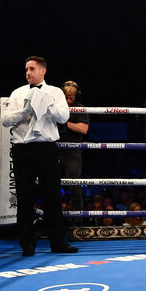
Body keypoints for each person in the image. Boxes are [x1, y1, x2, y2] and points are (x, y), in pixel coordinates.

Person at [0, 55, 77, 257]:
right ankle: (27, 244)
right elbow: (6, 120)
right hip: (23, 150)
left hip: (46, 148)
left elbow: (64, 117)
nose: (28, 72)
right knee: (24, 198)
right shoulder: (17, 94)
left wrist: (47, 104)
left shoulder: (55, 92)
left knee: (52, 196)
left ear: (43, 71)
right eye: (26, 69)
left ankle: (58, 242)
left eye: (32, 68)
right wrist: (25, 111)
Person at [58, 80, 90, 219]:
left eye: (71, 98)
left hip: (72, 151)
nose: (69, 100)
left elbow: (83, 129)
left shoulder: (80, 108)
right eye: (66, 97)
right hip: (55, 149)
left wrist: (66, 123)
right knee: (48, 183)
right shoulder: (56, 107)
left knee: (74, 184)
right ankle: (51, 218)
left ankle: (78, 220)